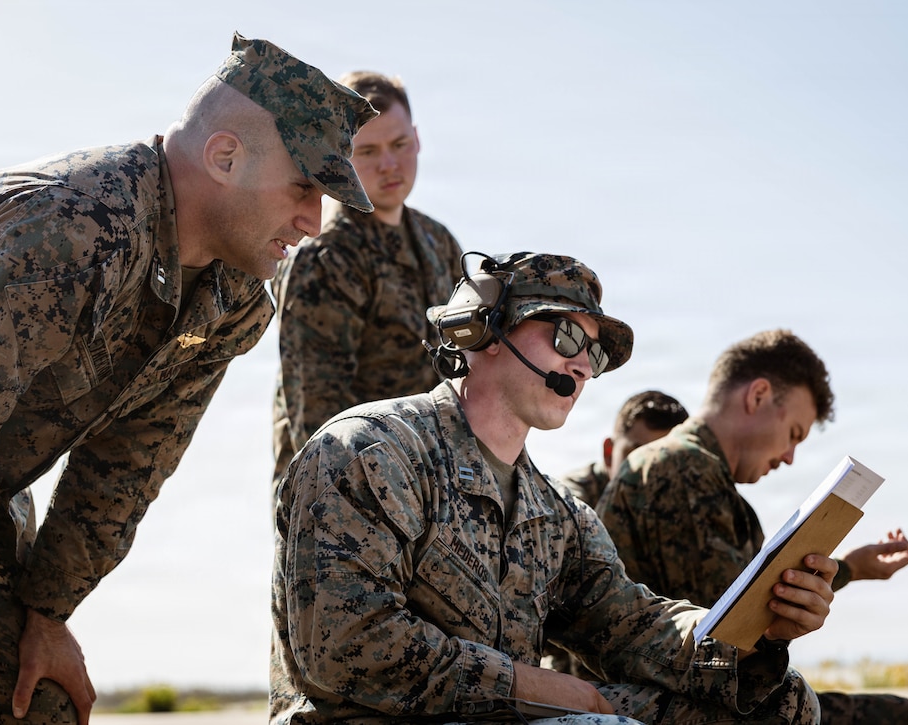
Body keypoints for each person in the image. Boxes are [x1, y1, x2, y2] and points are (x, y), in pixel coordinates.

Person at [0, 33, 377, 725]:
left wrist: (47, 610)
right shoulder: (73, 229)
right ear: (225, 157)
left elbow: (127, 467)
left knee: (39, 703)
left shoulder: (233, 299)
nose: (314, 223)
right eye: (304, 188)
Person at [270, 252, 839, 724]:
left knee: (782, 704)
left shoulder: (558, 514)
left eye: (594, 353)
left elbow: (633, 625)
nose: (584, 366)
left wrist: (753, 633)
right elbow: (349, 648)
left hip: (506, 716)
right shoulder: (371, 450)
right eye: (567, 336)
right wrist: (537, 689)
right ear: (485, 330)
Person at [595, 329, 908, 724]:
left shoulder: (701, 477)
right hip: (652, 700)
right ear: (758, 395)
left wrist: (847, 569)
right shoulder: (681, 468)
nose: (790, 457)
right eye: (794, 434)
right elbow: (728, 634)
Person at [270, 70, 463, 477]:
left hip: (430, 491)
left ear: (417, 138)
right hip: (346, 496)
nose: (389, 164)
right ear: (340, 154)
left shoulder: (439, 242)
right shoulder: (327, 255)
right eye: (369, 151)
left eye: (399, 144)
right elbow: (318, 418)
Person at [558, 389, 689, 505]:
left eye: (664, 459)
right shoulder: (571, 499)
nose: (648, 473)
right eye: (638, 457)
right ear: (609, 452)